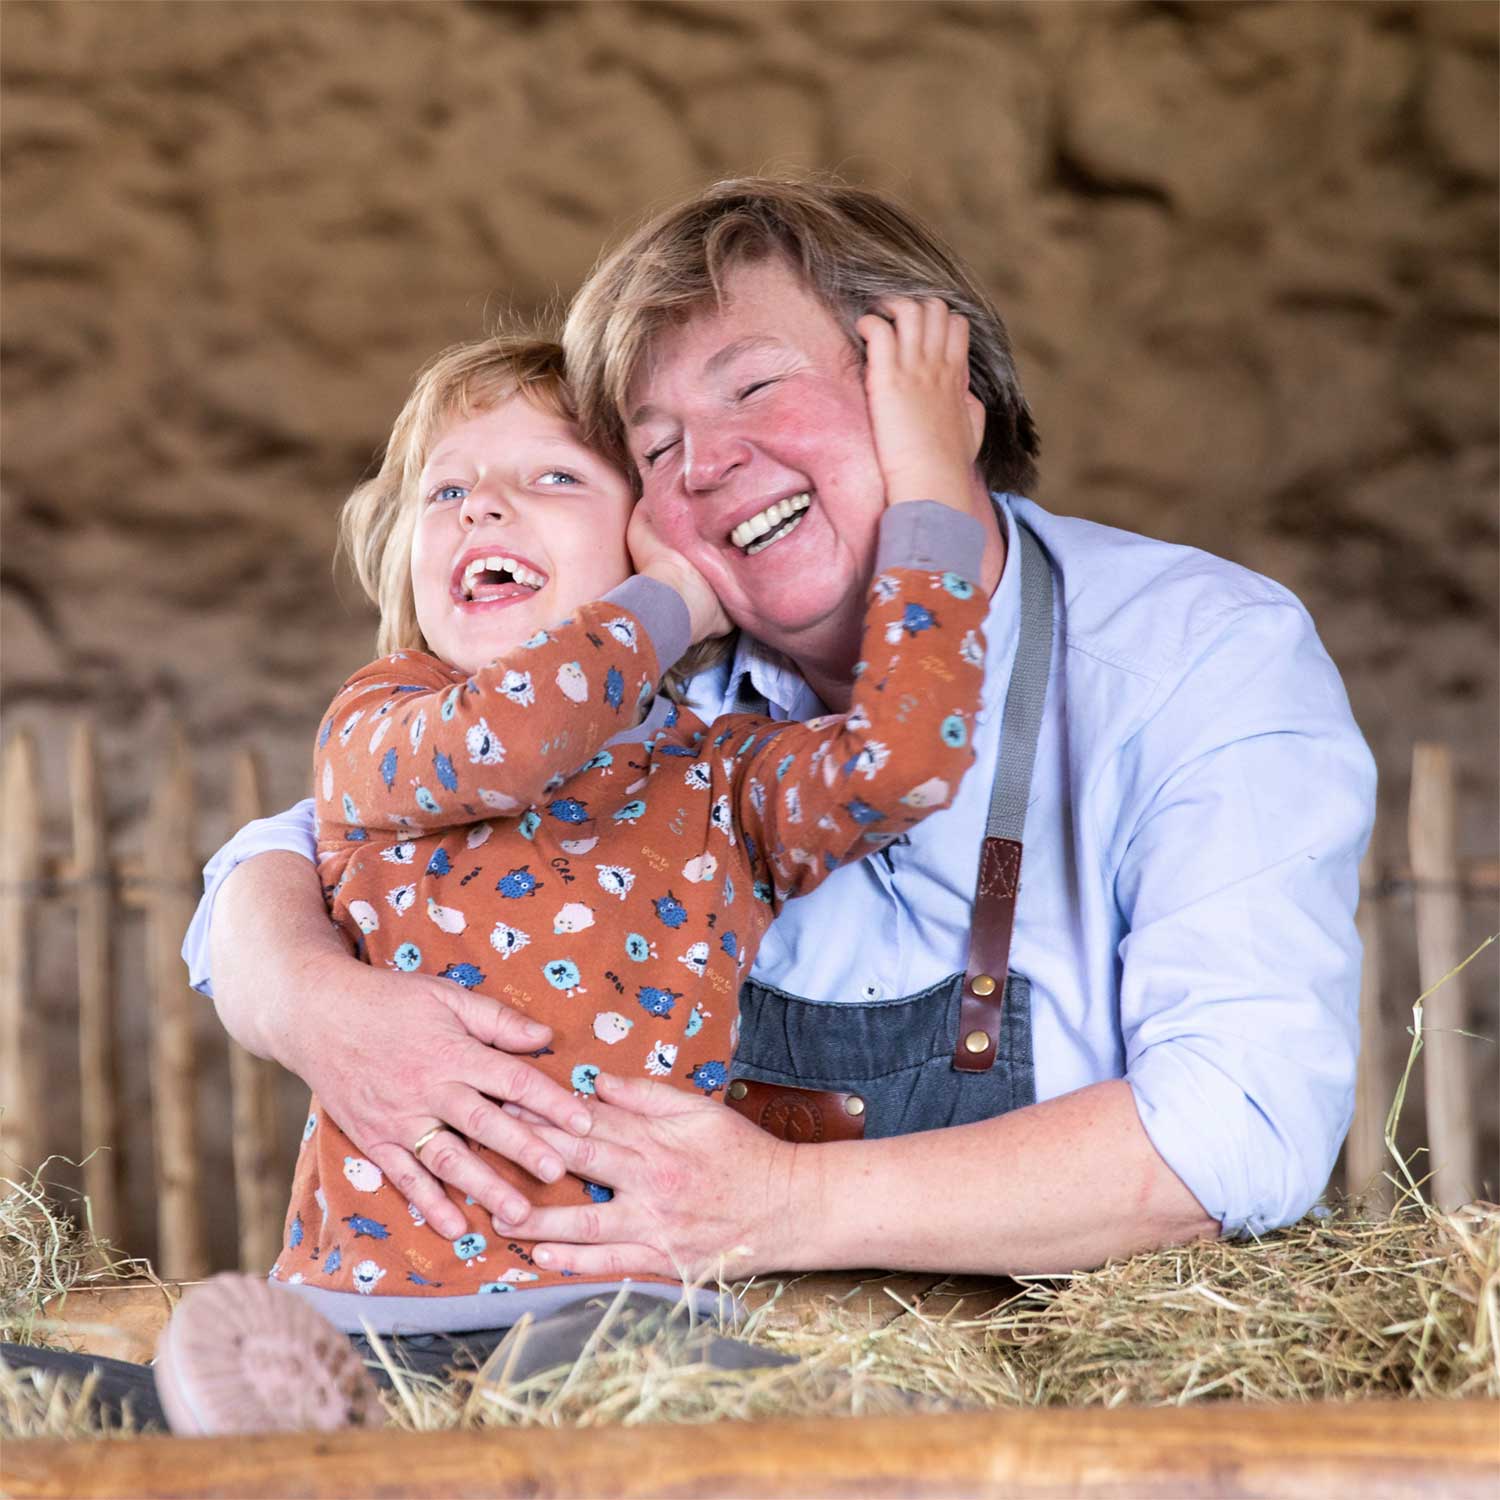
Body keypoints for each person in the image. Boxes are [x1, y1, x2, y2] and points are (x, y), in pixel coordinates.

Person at [186, 177, 1376, 1285]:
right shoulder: (651, 700)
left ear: (938, 397)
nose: (706, 463)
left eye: (753, 387)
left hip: (1053, 1390)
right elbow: (315, 835)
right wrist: (306, 996)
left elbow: (1240, 1129)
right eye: (654, 447)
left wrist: (785, 1206)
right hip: (692, 1381)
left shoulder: (1196, 654)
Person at [263, 320, 988, 1333]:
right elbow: (514, 739)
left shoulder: (726, 775)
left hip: (629, 1322)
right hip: (363, 1312)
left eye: (553, 478)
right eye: (445, 490)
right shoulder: (379, 721)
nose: (482, 505)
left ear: (653, 533)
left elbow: (905, 761)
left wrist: (931, 490)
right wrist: (675, 601)